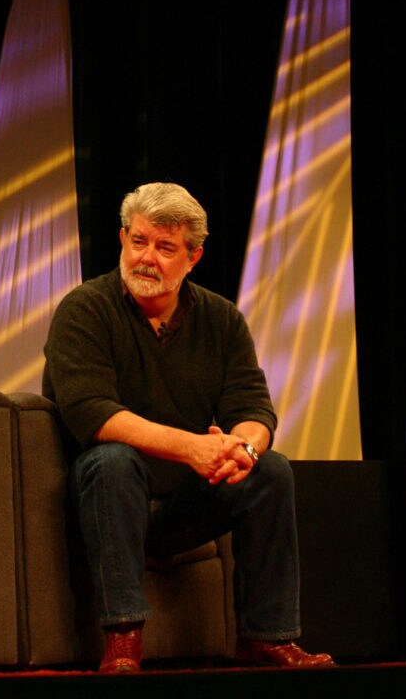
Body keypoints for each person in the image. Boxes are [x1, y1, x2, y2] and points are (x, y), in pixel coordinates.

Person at [43, 182, 335, 673]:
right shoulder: (84, 310)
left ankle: (267, 637)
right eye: (138, 241)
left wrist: (243, 447)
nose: (146, 258)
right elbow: (92, 412)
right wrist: (194, 449)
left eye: (164, 247)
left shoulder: (221, 320)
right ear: (121, 239)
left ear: (193, 257)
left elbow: (253, 408)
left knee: (270, 470)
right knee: (112, 459)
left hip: (181, 505)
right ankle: (123, 641)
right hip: (106, 500)